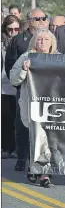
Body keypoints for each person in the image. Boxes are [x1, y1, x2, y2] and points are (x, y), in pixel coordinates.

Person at [10, 28, 59, 188]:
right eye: (39, 39)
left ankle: (44, 173)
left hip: (53, 106)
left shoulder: (60, 58)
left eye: (46, 39)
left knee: (48, 139)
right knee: (37, 137)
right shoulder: (26, 57)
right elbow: (13, 79)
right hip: (33, 105)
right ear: (34, 42)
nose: (43, 42)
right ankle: (35, 167)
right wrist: (24, 69)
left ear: (52, 42)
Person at [5, 8, 50, 172]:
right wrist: (20, 82)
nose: (41, 21)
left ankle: (39, 159)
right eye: (37, 19)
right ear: (29, 21)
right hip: (25, 89)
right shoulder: (18, 40)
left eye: (44, 18)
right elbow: (10, 64)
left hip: (45, 94)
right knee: (22, 124)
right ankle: (22, 157)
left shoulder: (49, 38)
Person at [1, 15, 20, 159]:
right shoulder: (2, 43)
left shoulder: (22, 43)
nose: (13, 32)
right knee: (6, 118)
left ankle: (15, 148)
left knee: (17, 119)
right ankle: (6, 147)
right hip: (3, 86)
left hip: (18, 86)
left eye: (16, 29)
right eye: (10, 29)